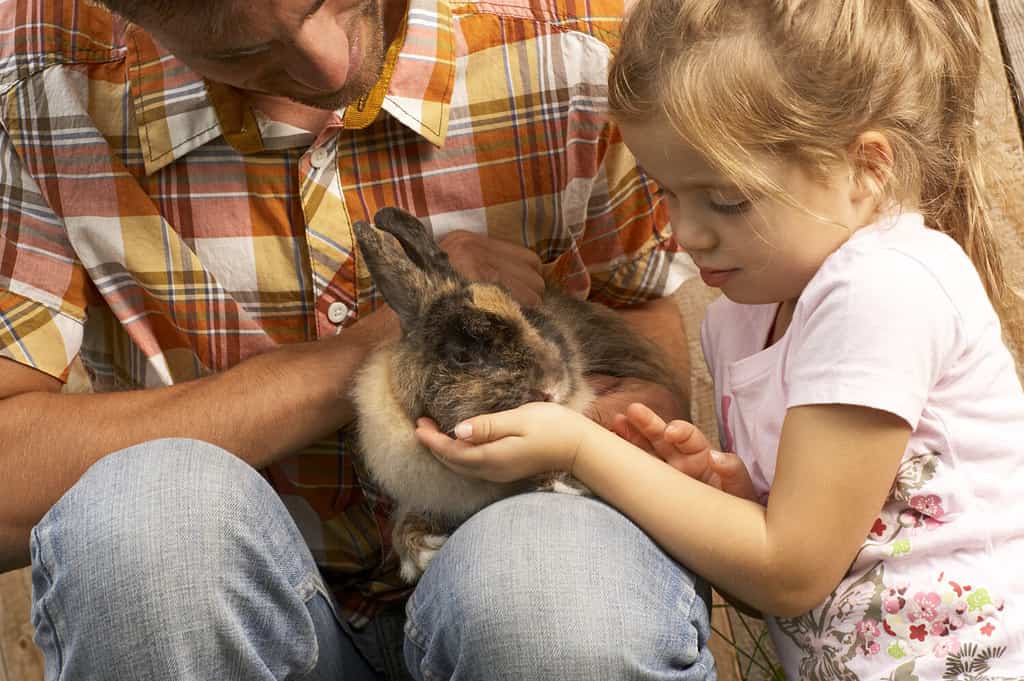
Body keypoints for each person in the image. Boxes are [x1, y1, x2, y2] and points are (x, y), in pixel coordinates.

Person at [0, 0, 716, 680]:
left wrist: (613, 420)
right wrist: (384, 343)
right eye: (242, 52)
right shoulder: (41, 67)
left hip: (507, 571)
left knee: (546, 592)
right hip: (233, 606)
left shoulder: (573, 32)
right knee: (148, 524)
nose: (329, 67)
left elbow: (638, 318)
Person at [417, 0, 1024, 678]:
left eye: (726, 198)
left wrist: (581, 446)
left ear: (866, 168)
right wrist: (724, 501)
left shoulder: (882, 288)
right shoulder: (740, 318)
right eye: (666, 191)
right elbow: (785, 584)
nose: (688, 232)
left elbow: (790, 571)